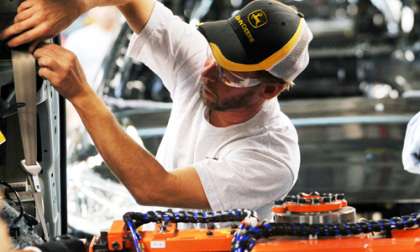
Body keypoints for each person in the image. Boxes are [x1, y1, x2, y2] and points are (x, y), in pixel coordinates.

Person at [0, 0, 312, 220]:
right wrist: (77, 5)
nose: (207, 72)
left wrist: (81, 94)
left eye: (229, 74)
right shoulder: (207, 68)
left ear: (270, 90)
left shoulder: (271, 157)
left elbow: (155, 188)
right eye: (215, 57)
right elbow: (133, 3)